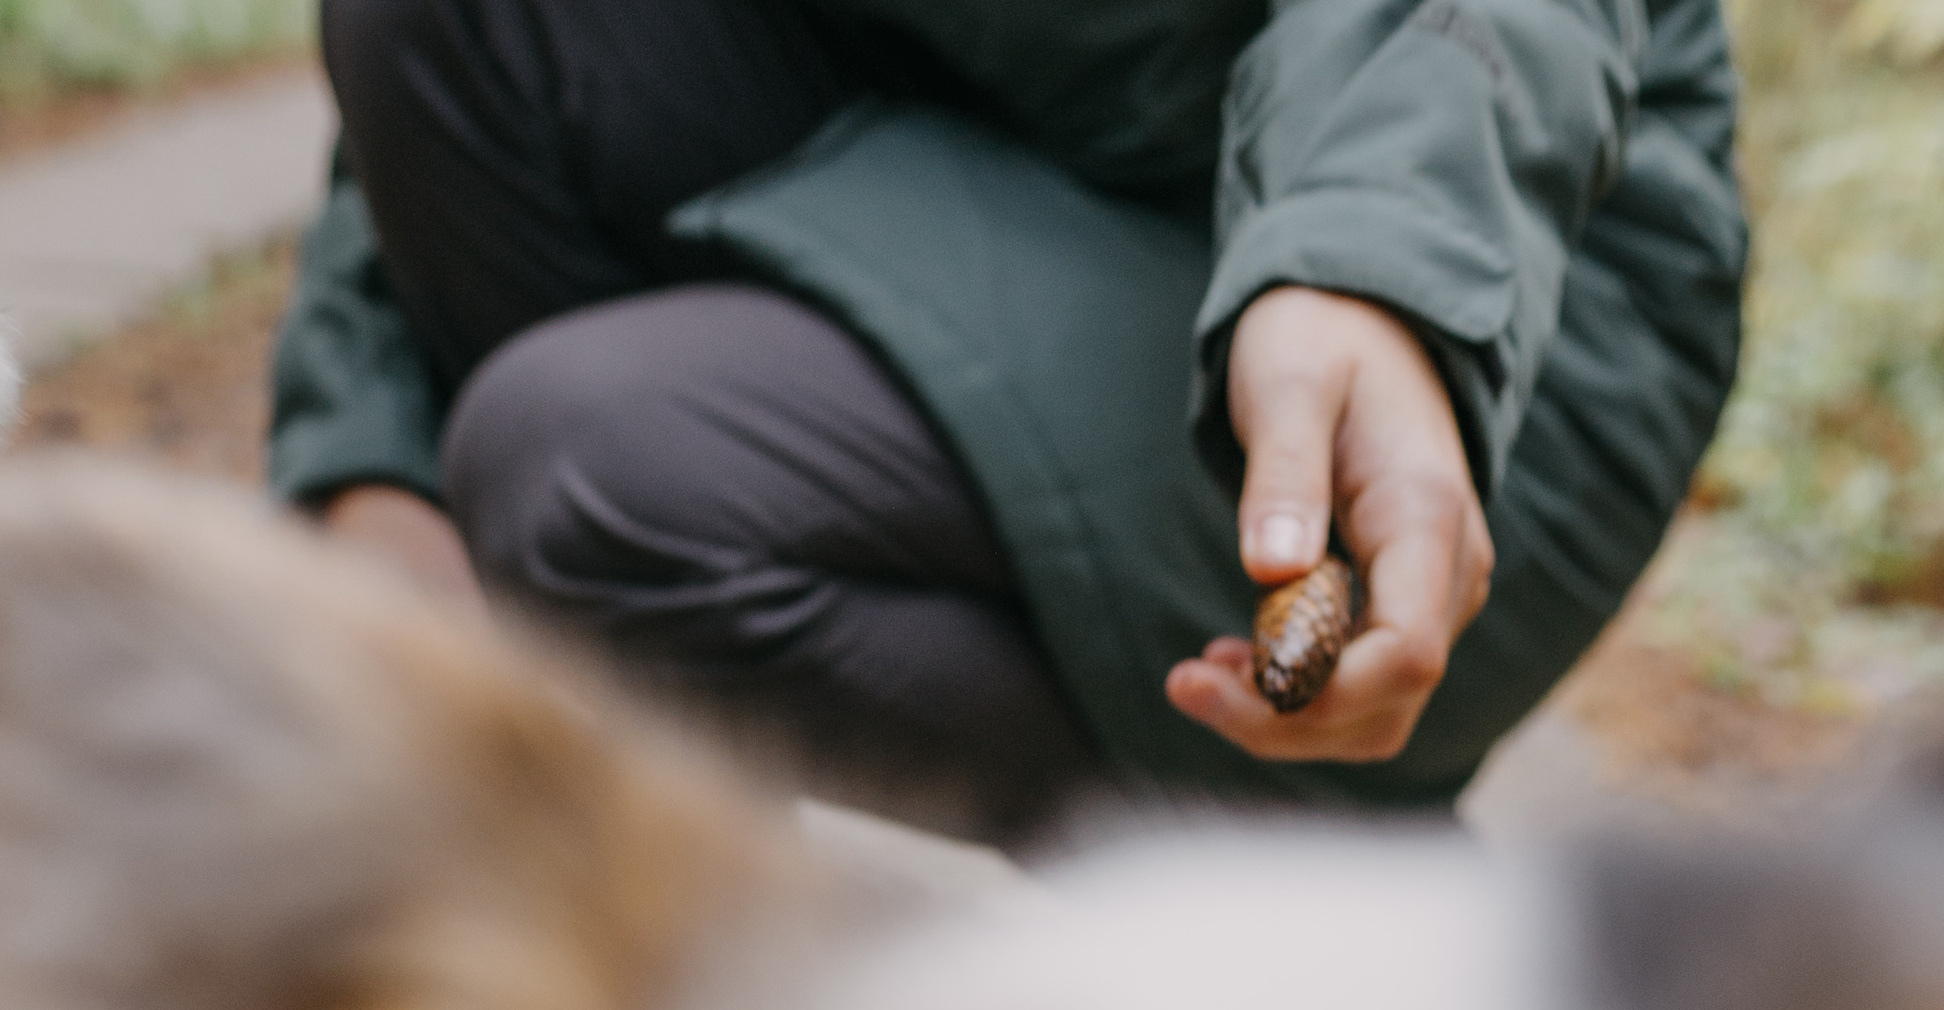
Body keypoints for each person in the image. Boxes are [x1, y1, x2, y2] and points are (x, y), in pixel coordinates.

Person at [264, 0, 1746, 842]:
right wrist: (374, 448)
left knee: (590, 477)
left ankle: (1280, 870)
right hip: (996, 139)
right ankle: (627, 874)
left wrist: (1375, 259)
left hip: (1497, 270)